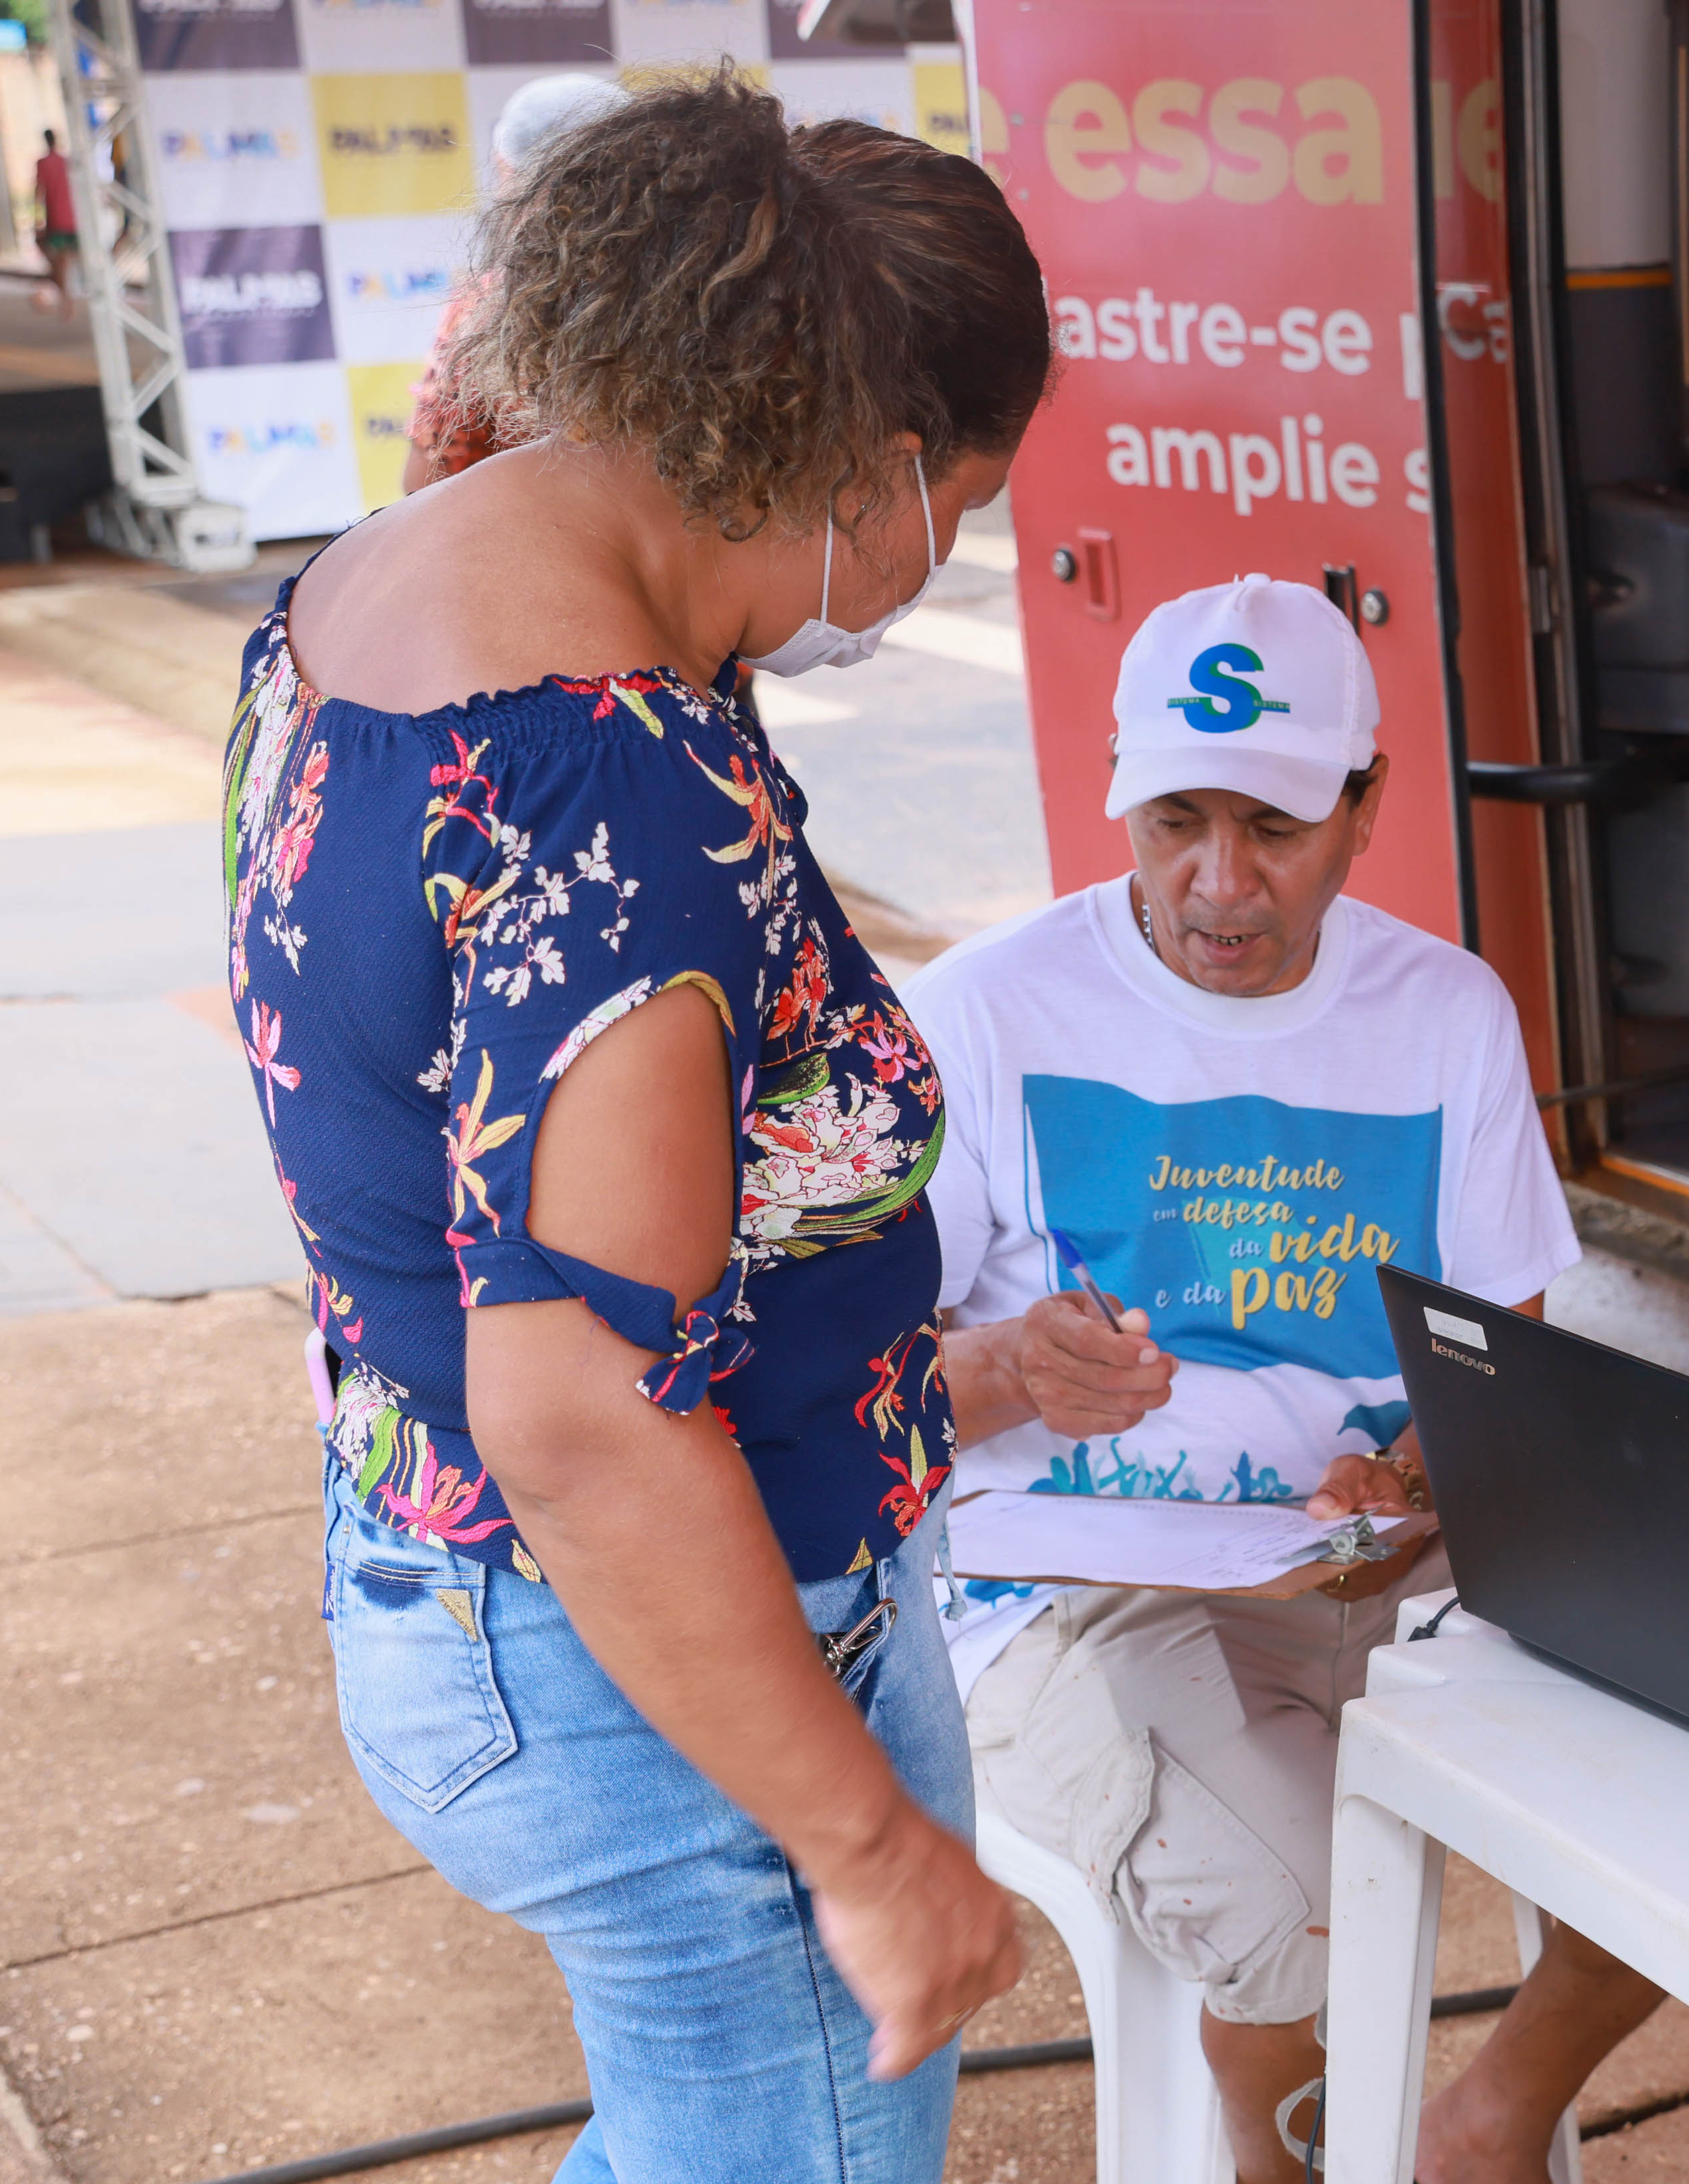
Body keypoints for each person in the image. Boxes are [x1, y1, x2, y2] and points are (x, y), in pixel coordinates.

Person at [227, 71, 1046, 2179]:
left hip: (449, 1582)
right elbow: (585, 1410)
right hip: (658, 1663)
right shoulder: (625, 796)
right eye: (958, 494)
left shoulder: (371, 594)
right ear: (864, 461)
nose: (935, 558)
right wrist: (868, 1849)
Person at [918, 573, 1667, 2184]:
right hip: (1072, 1576)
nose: (1219, 880)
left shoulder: (1445, 1013)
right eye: (1174, 817)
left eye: (1272, 823)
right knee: (1291, 1897)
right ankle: (1287, 2160)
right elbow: (839, 1384)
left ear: (1363, 803)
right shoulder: (985, 1012)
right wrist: (1002, 1370)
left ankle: (1483, 2118)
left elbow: (1501, 1373)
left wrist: (1408, 1479)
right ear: (1120, 793)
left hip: (1382, 1557)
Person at [400, 74, 629, 492]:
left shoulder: (484, 309)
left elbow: (429, 481)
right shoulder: (721, 293)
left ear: (510, 175)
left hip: (537, 544)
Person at [29, 128, 78, 319]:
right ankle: (67, 300)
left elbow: (38, 193)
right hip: (73, 218)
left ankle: (66, 299)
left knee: (59, 263)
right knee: (67, 263)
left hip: (57, 219)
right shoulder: (68, 162)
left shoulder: (43, 164)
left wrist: (37, 220)